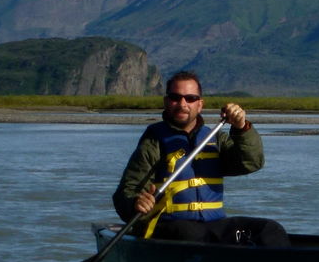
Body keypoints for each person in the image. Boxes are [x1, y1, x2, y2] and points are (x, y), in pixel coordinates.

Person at [113, 70, 289, 246]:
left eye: (190, 98)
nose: (182, 104)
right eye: (176, 97)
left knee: (269, 230)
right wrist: (136, 202)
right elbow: (126, 192)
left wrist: (242, 128)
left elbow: (251, 163)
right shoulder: (154, 141)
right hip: (169, 226)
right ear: (167, 102)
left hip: (214, 225)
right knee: (191, 234)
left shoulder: (215, 138)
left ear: (200, 105)